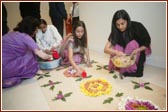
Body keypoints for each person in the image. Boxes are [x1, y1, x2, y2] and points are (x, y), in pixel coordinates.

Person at [2, 17, 52, 88]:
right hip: (6, 68)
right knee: (30, 52)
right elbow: (41, 55)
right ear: (32, 29)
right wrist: (51, 56)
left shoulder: (11, 34)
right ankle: (35, 70)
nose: (37, 31)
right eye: (36, 29)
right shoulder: (25, 37)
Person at [104, 9, 151, 77]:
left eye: (122, 23)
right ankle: (121, 67)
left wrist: (137, 50)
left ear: (127, 21)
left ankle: (131, 68)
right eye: (117, 25)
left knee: (131, 44)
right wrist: (116, 52)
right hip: (123, 56)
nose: (120, 27)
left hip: (136, 53)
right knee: (117, 47)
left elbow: (146, 43)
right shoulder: (115, 31)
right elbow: (106, 49)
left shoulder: (137, 27)